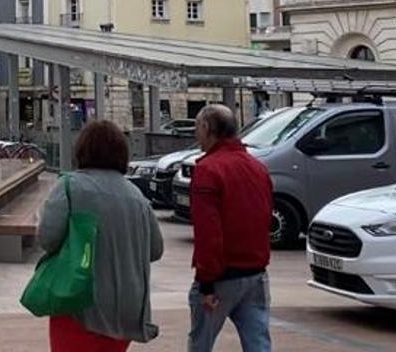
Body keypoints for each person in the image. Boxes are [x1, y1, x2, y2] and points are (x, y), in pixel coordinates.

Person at [37, 119, 163, 352]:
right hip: (127, 306)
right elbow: (155, 249)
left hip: (80, 301)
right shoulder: (136, 196)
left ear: (82, 150)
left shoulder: (70, 186)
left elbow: (48, 238)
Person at [188, 104, 273, 352]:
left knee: (201, 343)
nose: (196, 136)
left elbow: (208, 232)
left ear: (207, 128)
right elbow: (264, 217)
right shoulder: (258, 168)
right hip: (255, 272)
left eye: (197, 128)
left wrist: (206, 282)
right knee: (258, 342)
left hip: (222, 276)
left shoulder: (208, 170)